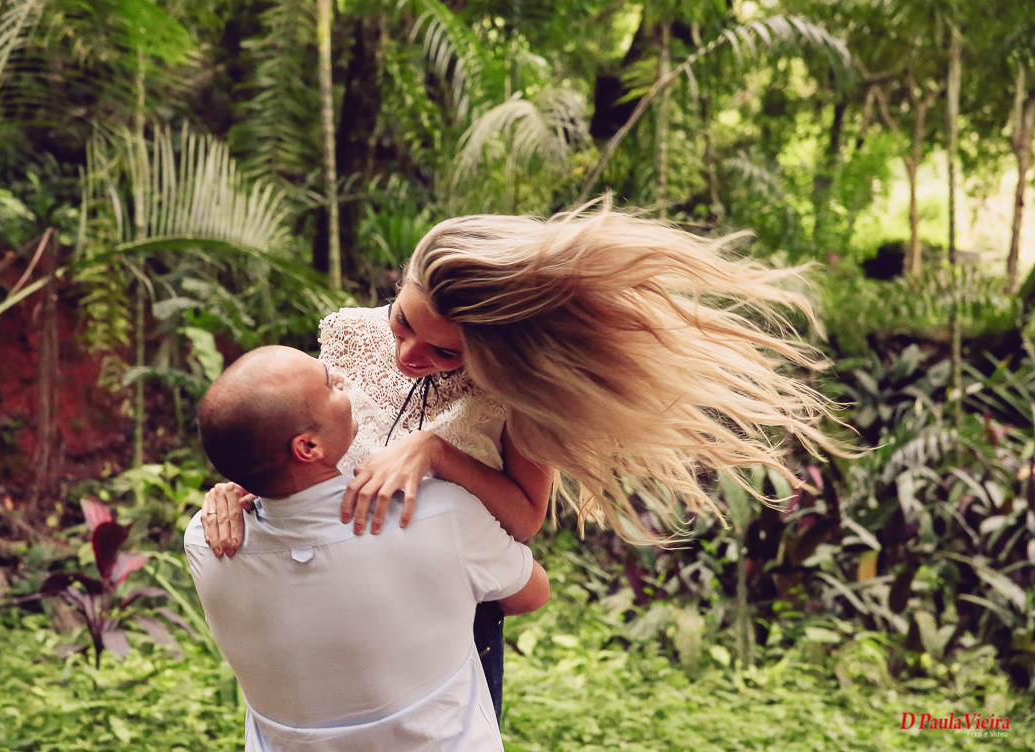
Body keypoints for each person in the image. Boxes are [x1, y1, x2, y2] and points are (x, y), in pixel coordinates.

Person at [202, 199, 844, 711]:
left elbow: (526, 519)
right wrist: (240, 488)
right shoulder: (348, 339)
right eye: (402, 320)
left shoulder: (516, 397)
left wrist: (436, 453)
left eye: (445, 352)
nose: (408, 356)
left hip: (455, 616)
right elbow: (298, 445)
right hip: (335, 597)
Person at [185, 346, 549, 752]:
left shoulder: (206, 539)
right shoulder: (439, 514)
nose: (343, 379)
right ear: (308, 448)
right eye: (329, 384)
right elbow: (531, 594)